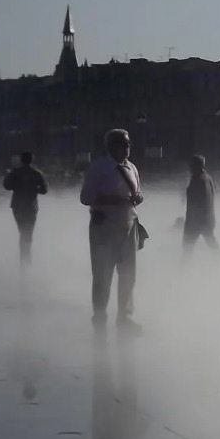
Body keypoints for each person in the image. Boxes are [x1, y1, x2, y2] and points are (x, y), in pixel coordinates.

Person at [79, 129, 144, 335]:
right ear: (111, 146)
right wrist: (111, 200)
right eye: (123, 144)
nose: (127, 148)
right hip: (104, 227)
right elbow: (86, 197)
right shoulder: (99, 168)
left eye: (128, 144)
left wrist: (138, 198)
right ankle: (99, 317)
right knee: (103, 275)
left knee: (128, 275)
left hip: (128, 225)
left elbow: (137, 192)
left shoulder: (132, 168)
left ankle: (125, 318)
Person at [3, 151, 48, 266]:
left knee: (22, 232)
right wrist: (33, 188)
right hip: (31, 206)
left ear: (21, 160)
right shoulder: (37, 173)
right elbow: (44, 190)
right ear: (32, 160)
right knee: (27, 233)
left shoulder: (15, 173)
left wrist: (17, 186)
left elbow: (6, 185)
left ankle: (24, 258)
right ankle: (26, 258)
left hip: (17, 206)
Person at [182, 155, 219, 256]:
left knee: (187, 249)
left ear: (196, 166)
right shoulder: (208, 178)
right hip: (207, 219)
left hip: (196, 221)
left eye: (191, 166)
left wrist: (189, 223)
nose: (189, 168)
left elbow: (194, 203)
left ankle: (183, 267)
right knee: (212, 244)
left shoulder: (197, 180)